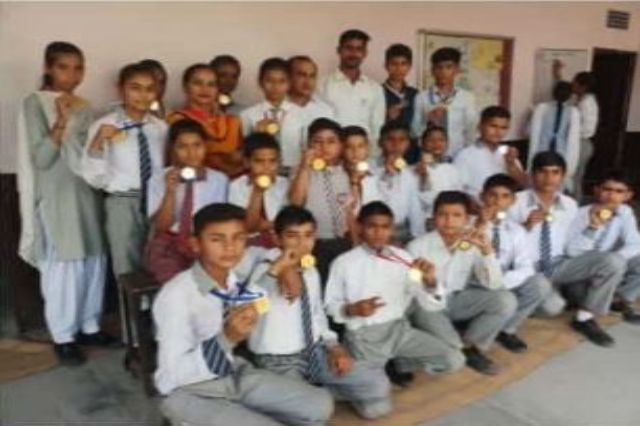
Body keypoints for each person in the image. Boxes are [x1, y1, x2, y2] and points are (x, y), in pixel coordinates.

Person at [153, 203, 333, 426]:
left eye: (238, 238)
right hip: (189, 390)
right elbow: (173, 374)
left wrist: (280, 269)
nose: (230, 247)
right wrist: (226, 338)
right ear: (196, 244)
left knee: (320, 404)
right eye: (217, 239)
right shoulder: (176, 295)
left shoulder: (230, 279)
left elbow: (251, 299)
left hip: (232, 373)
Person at [17, 41, 112, 365]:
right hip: (55, 194)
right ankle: (63, 336)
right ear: (48, 68)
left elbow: (88, 154)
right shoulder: (35, 103)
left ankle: (89, 326)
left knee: (93, 260)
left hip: (85, 191)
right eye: (63, 67)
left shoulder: (85, 105)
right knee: (63, 265)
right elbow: (42, 159)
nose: (72, 75)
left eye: (78, 68)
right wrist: (60, 122)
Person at [249, 206, 392, 419]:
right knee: (316, 413)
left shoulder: (310, 270)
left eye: (308, 235)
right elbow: (249, 303)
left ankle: (310, 394)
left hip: (314, 352)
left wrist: (334, 347)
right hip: (278, 361)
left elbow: (316, 314)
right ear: (277, 239)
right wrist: (279, 269)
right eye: (292, 236)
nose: (302, 243)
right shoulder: (264, 268)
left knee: (378, 386)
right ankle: (308, 397)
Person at [325, 201, 465, 384]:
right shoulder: (343, 263)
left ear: (392, 229)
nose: (379, 232)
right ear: (360, 227)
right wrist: (352, 309)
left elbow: (427, 302)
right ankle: (378, 368)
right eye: (372, 226)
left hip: (399, 330)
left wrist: (430, 281)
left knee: (454, 360)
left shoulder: (403, 257)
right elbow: (330, 305)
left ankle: (400, 363)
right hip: (364, 337)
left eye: (385, 227)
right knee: (374, 398)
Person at [81, 62, 167, 342]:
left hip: (156, 202)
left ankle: (159, 333)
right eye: (135, 88)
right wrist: (98, 141)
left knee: (157, 264)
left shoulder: (160, 128)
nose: (143, 95)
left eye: (149, 89)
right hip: (122, 202)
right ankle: (134, 338)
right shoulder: (104, 125)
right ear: (121, 90)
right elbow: (93, 176)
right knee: (126, 269)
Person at [508, 151, 624, 347]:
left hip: (558, 264)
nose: (549, 178)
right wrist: (524, 227)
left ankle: (584, 318)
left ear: (563, 176)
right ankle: (520, 304)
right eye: (543, 172)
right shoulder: (515, 201)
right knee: (553, 307)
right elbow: (501, 242)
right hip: (528, 269)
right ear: (532, 174)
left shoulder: (569, 205)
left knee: (614, 261)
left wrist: (592, 227)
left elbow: (572, 249)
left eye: (555, 172)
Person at [407, 191, 517, 375]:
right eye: (442, 214)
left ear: (467, 219)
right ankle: (460, 348)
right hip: (427, 306)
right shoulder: (417, 247)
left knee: (506, 300)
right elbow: (414, 291)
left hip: (458, 300)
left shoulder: (472, 240)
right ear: (433, 217)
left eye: (456, 215)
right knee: (452, 347)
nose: (449, 221)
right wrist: (431, 283)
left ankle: (470, 345)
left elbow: (493, 284)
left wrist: (487, 252)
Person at [145, 119, 229, 283]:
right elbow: (161, 226)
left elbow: (220, 222)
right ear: (173, 149)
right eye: (182, 147)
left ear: (206, 146)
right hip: (169, 244)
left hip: (204, 244)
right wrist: (170, 191)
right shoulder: (159, 178)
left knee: (209, 281)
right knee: (175, 282)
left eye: (197, 145)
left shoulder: (219, 180)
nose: (191, 153)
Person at [477, 174, 553, 352]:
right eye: (492, 195)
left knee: (540, 284)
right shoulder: (468, 223)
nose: (498, 201)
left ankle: (506, 329)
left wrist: (501, 282)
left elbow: (526, 267)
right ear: (482, 197)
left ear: (513, 201)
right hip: (476, 281)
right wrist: (481, 225)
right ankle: (477, 338)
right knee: (505, 298)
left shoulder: (516, 230)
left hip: (502, 281)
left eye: (505, 196)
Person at [565, 169, 640, 323]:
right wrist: (592, 227)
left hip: (606, 267)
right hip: (580, 272)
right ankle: (588, 313)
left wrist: (614, 262)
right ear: (597, 190)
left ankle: (619, 301)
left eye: (619, 191)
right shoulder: (579, 214)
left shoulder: (625, 212)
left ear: (628, 196)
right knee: (579, 295)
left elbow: (635, 244)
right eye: (607, 189)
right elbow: (572, 252)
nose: (612, 195)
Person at [289, 118, 353, 284]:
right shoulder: (300, 170)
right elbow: (296, 202)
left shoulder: (349, 171)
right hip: (314, 243)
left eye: (331, 141)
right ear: (309, 145)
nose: (324, 147)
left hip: (344, 241)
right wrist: (305, 166)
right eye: (317, 142)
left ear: (341, 145)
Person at [167, 63, 244, 177]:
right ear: (185, 87)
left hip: (234, 182)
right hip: (193, 180)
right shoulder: (177, 120)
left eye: (211, 85)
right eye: (198, 83)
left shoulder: (232, 121)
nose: (205, 89)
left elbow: (242, 157)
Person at [319, 29, 385, 157]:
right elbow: (320, 125)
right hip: (332, 155)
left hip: (363, 156)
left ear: (365, 53)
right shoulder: (323, 84)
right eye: (349, 48)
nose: (353, 53)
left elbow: (377, 127)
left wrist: (372, 157)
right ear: (339, 50)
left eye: (359, 49)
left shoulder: (374, 88)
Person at [240, 57, 307, 172]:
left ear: (290, 83)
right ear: (260, 82)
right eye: (270, 81)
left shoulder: (301, 114)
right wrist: (256, 135)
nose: (275, 86)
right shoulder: (247, 115)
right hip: (261, 171)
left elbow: (305, 147)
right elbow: (243, 150)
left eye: (282, 81)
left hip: (293, 171)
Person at [412, 47, 477, 156]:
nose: (443, 72)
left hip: (458, 154)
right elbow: (414, 132)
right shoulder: (422, 97)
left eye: (448, 67)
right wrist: (428, 120)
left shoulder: (467, 98)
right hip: (429, 156)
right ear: (432, 70)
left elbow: (471, 130)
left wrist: (469, 155)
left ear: (457, 69)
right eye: (439, 67)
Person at [228, 132, 289, 247]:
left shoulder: (285, 184)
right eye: (259, 161)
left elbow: (289, 223)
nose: (266, 167)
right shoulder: (236, 187)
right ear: (247, 162)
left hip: (280, 243)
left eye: (272, 161)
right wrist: (257, 192)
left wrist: (265, 224)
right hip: (247, 245)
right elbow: (248, 226)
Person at [454, 106, 527, 198]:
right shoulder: (465, 155)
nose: (498, 132)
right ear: (480, 126)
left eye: (503, 128)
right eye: (493, 126)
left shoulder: (508, 153)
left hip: (506, 204)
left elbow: (523, 184)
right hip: (477, 204)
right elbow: (458, 190)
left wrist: (511, 164)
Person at [374, 121, 422, 244]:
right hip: (375, 232)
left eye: (402, 140)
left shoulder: (409, 173)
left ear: (408, 143)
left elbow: (414, 208)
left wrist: (418, 237)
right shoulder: (370, 170)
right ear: (380, 142)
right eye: (390, 139)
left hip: (402, 231)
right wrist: (387, 175)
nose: (396, 144)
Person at [410, 126, 463, 236]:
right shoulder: (413, 170)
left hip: (448, 222)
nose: (436, 144)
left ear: (447, 143)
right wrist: (424, 177)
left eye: (441, 140)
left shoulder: (452, 170)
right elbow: (424, 200)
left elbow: (458, 198)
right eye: (431, 140)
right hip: (424, 222)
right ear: (421, 143)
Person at [529, 81, 580, 193]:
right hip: (542, 149)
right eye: (560, 91)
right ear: (554, 92)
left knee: (557, 183)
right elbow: (534, 133)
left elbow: (573, 139)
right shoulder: (542, 108)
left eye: (565, 92)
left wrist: (570, 162)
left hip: (561, 152)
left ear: (570, 95)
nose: (562, 94)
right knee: (539, 179)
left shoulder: (573, 112)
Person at [382, 43, 419, 163]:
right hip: (385, 151)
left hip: (412, 152)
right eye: (394, 64)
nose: (399, 69)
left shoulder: (415, 94)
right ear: (386, 65)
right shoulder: (377, 92)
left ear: (409, 66)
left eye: (403, 64)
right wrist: (388, 117)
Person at [571, 71, 599, 200]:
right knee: (571, 176)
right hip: (576, 142)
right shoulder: (579, 99)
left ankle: (575, 204)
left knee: (575, 177)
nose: (572, 85)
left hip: (581, 143)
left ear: (583, 86)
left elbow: (587, 128)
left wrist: (570, 131)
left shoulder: (586, 103)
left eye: (575, 83)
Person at [287, 55, 335, 126]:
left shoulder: (325, 111)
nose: (308, 81)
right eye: (302, 75)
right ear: (288, 76)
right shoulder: (275, 109)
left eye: (312, 76)